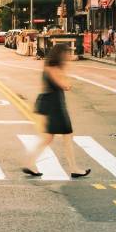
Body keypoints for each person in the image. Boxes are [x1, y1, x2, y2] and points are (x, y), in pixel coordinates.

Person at [22, 44, 89, 179]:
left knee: (49, 137)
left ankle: (30, 163)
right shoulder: (53, 68)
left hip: (51, 103)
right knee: (67, 135)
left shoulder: (50, 67)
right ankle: (74, 168)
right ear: (60, 55)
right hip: (54, 105)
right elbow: (66, 85)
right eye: (66, 53)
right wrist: (66, 71)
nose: (68, 56)